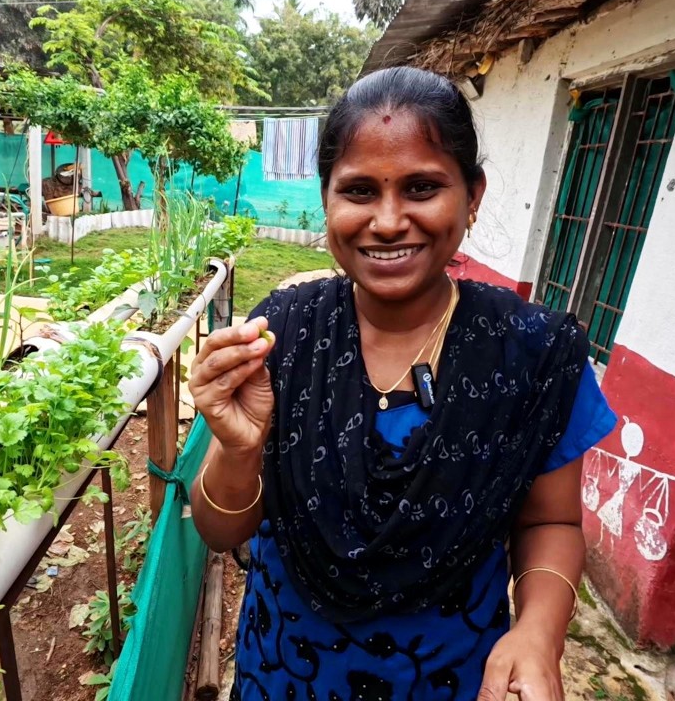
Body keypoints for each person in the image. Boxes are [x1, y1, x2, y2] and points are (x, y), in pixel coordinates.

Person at [188, 66, 616, 701]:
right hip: (285, 670)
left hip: (453, 676)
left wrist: (539, 634)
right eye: (359, 191)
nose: (388, 222)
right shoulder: (280, 336)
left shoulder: (533, 354)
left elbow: (550, 523)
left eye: (422, 187)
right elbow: (222, 534)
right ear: (327, 200)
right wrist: (239, 446)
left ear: (472, 196)